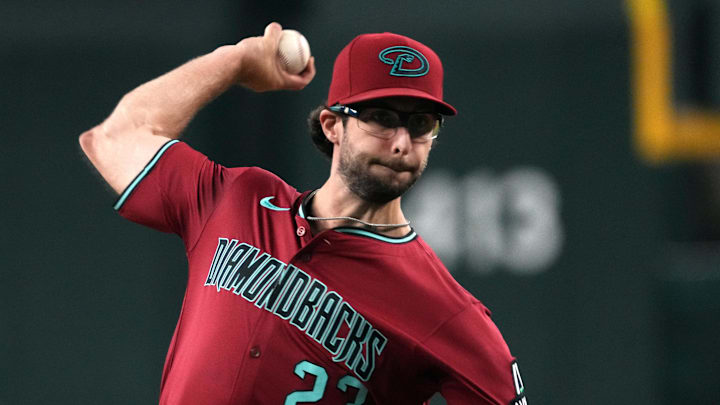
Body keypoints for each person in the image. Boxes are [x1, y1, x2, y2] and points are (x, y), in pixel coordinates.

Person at [79, 22, 526, 405]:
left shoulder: (445, 311)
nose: (400, 143)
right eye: (381, 117)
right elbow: (113, 139)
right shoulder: (236, 200)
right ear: (333, 124)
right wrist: (234, 62)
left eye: (421, 124)